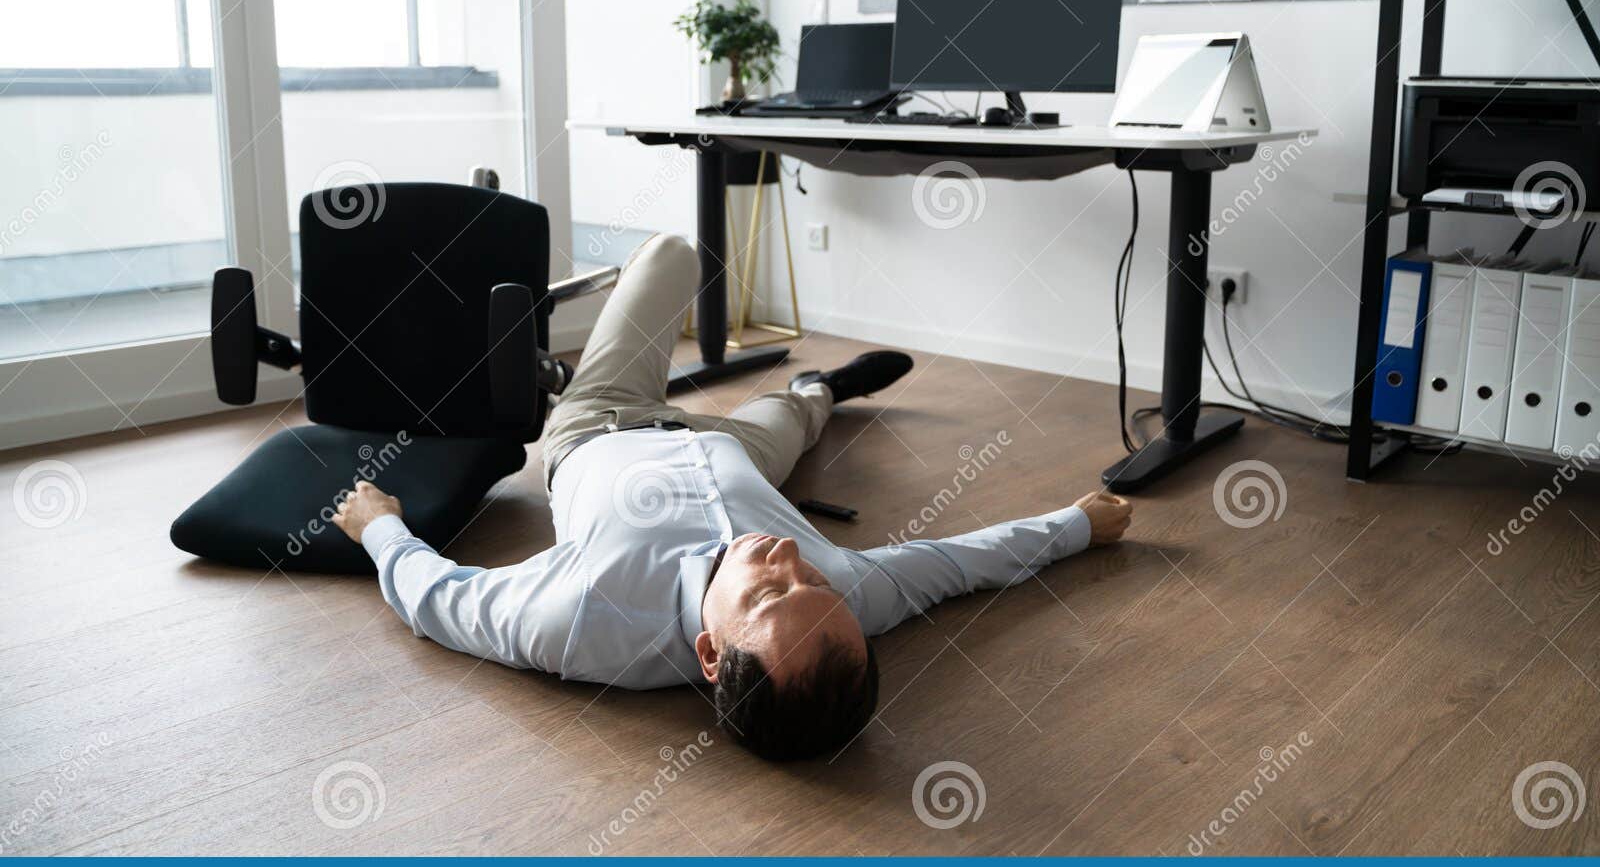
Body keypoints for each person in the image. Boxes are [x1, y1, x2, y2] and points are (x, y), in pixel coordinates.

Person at [333, 233, 1132, 761]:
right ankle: (822, 388)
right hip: (738, 455)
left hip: (602, 420)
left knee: (670, 258)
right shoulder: (840, 600)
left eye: (773, 591)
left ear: (711, 654)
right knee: (786, 403)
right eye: (815, 580)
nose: (791, 556)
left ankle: (567, 380)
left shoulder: (583, 619)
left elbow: (440, 600)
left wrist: (380, 529)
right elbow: (955, 564)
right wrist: (1073, 525)